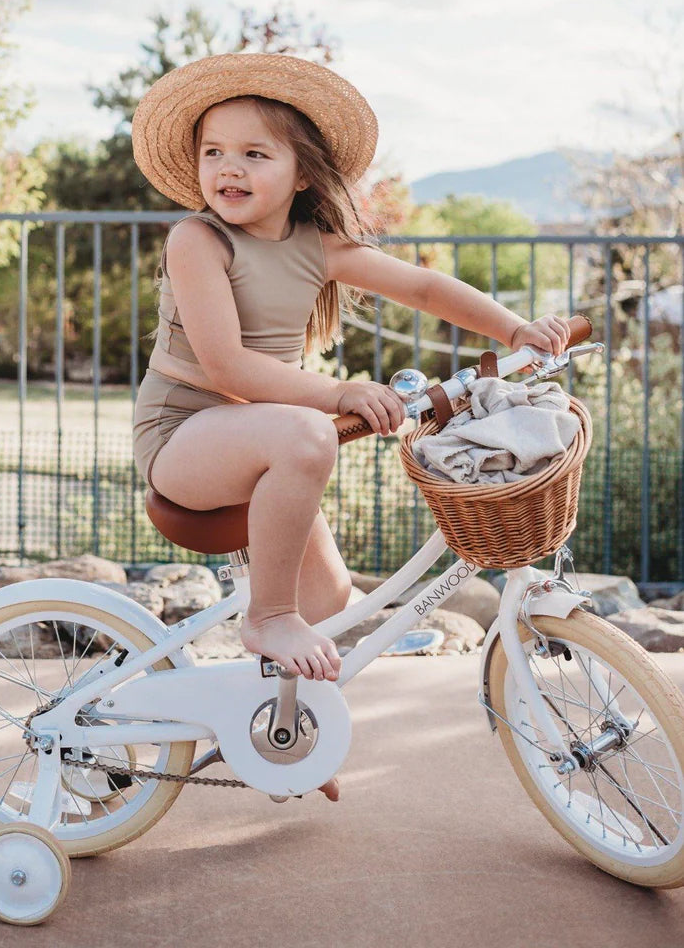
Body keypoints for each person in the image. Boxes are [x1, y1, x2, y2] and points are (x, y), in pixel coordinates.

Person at [131, 52, 571, 694]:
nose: (229, 166)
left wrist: (513, 331)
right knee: (308, 437)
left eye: (255, 154)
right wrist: (341, 392)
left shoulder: (320, 248)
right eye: (214, 152)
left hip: (265, 438)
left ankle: (286, 726)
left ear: (302, 172)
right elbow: (227, 365)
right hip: (184, 435)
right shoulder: (198, 241)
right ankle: (269, 617)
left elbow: (422, 285)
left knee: (333, 608)